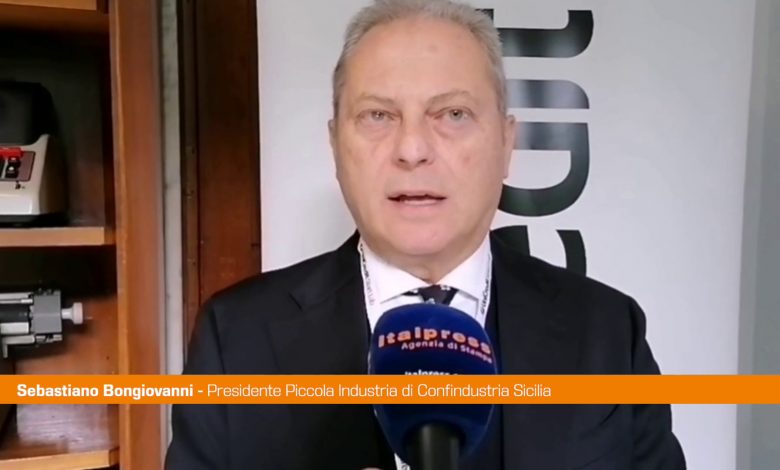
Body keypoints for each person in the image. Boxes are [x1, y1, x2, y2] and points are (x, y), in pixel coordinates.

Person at [165, 0, 686, 469]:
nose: (412, 149)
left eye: (453, 114)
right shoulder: (238, 338)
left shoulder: (604, 331)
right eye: (378, 115)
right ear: (335, 144)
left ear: (507, 143)